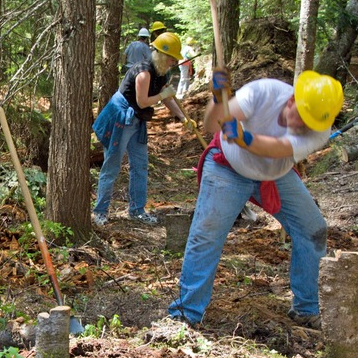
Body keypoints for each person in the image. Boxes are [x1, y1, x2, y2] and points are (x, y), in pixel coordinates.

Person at [168, 69, 343, 327]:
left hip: (274, 174)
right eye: (302, 118)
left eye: (310, 124)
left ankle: (306, 308)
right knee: (206, 233)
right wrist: (218, 100)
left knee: (313, 229)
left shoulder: (320, 128)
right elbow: (212, 124)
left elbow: (277, 149)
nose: (303, 127)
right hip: (228, 166)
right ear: (292, 100)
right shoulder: (264, 92)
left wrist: (243, 137)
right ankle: (186, 314)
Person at [92, 32, 192, 227]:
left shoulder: (162, 72)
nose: (173, 62)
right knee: (111, 166)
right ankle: (100, 212)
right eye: (172, 58)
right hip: (121, 117)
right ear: (163, 56)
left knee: (140, 165)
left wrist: (183, 117)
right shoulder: (143, 72)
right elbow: (143, 101)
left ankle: (137, 211)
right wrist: (163, 94)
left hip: (137, 120)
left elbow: (168, 98)